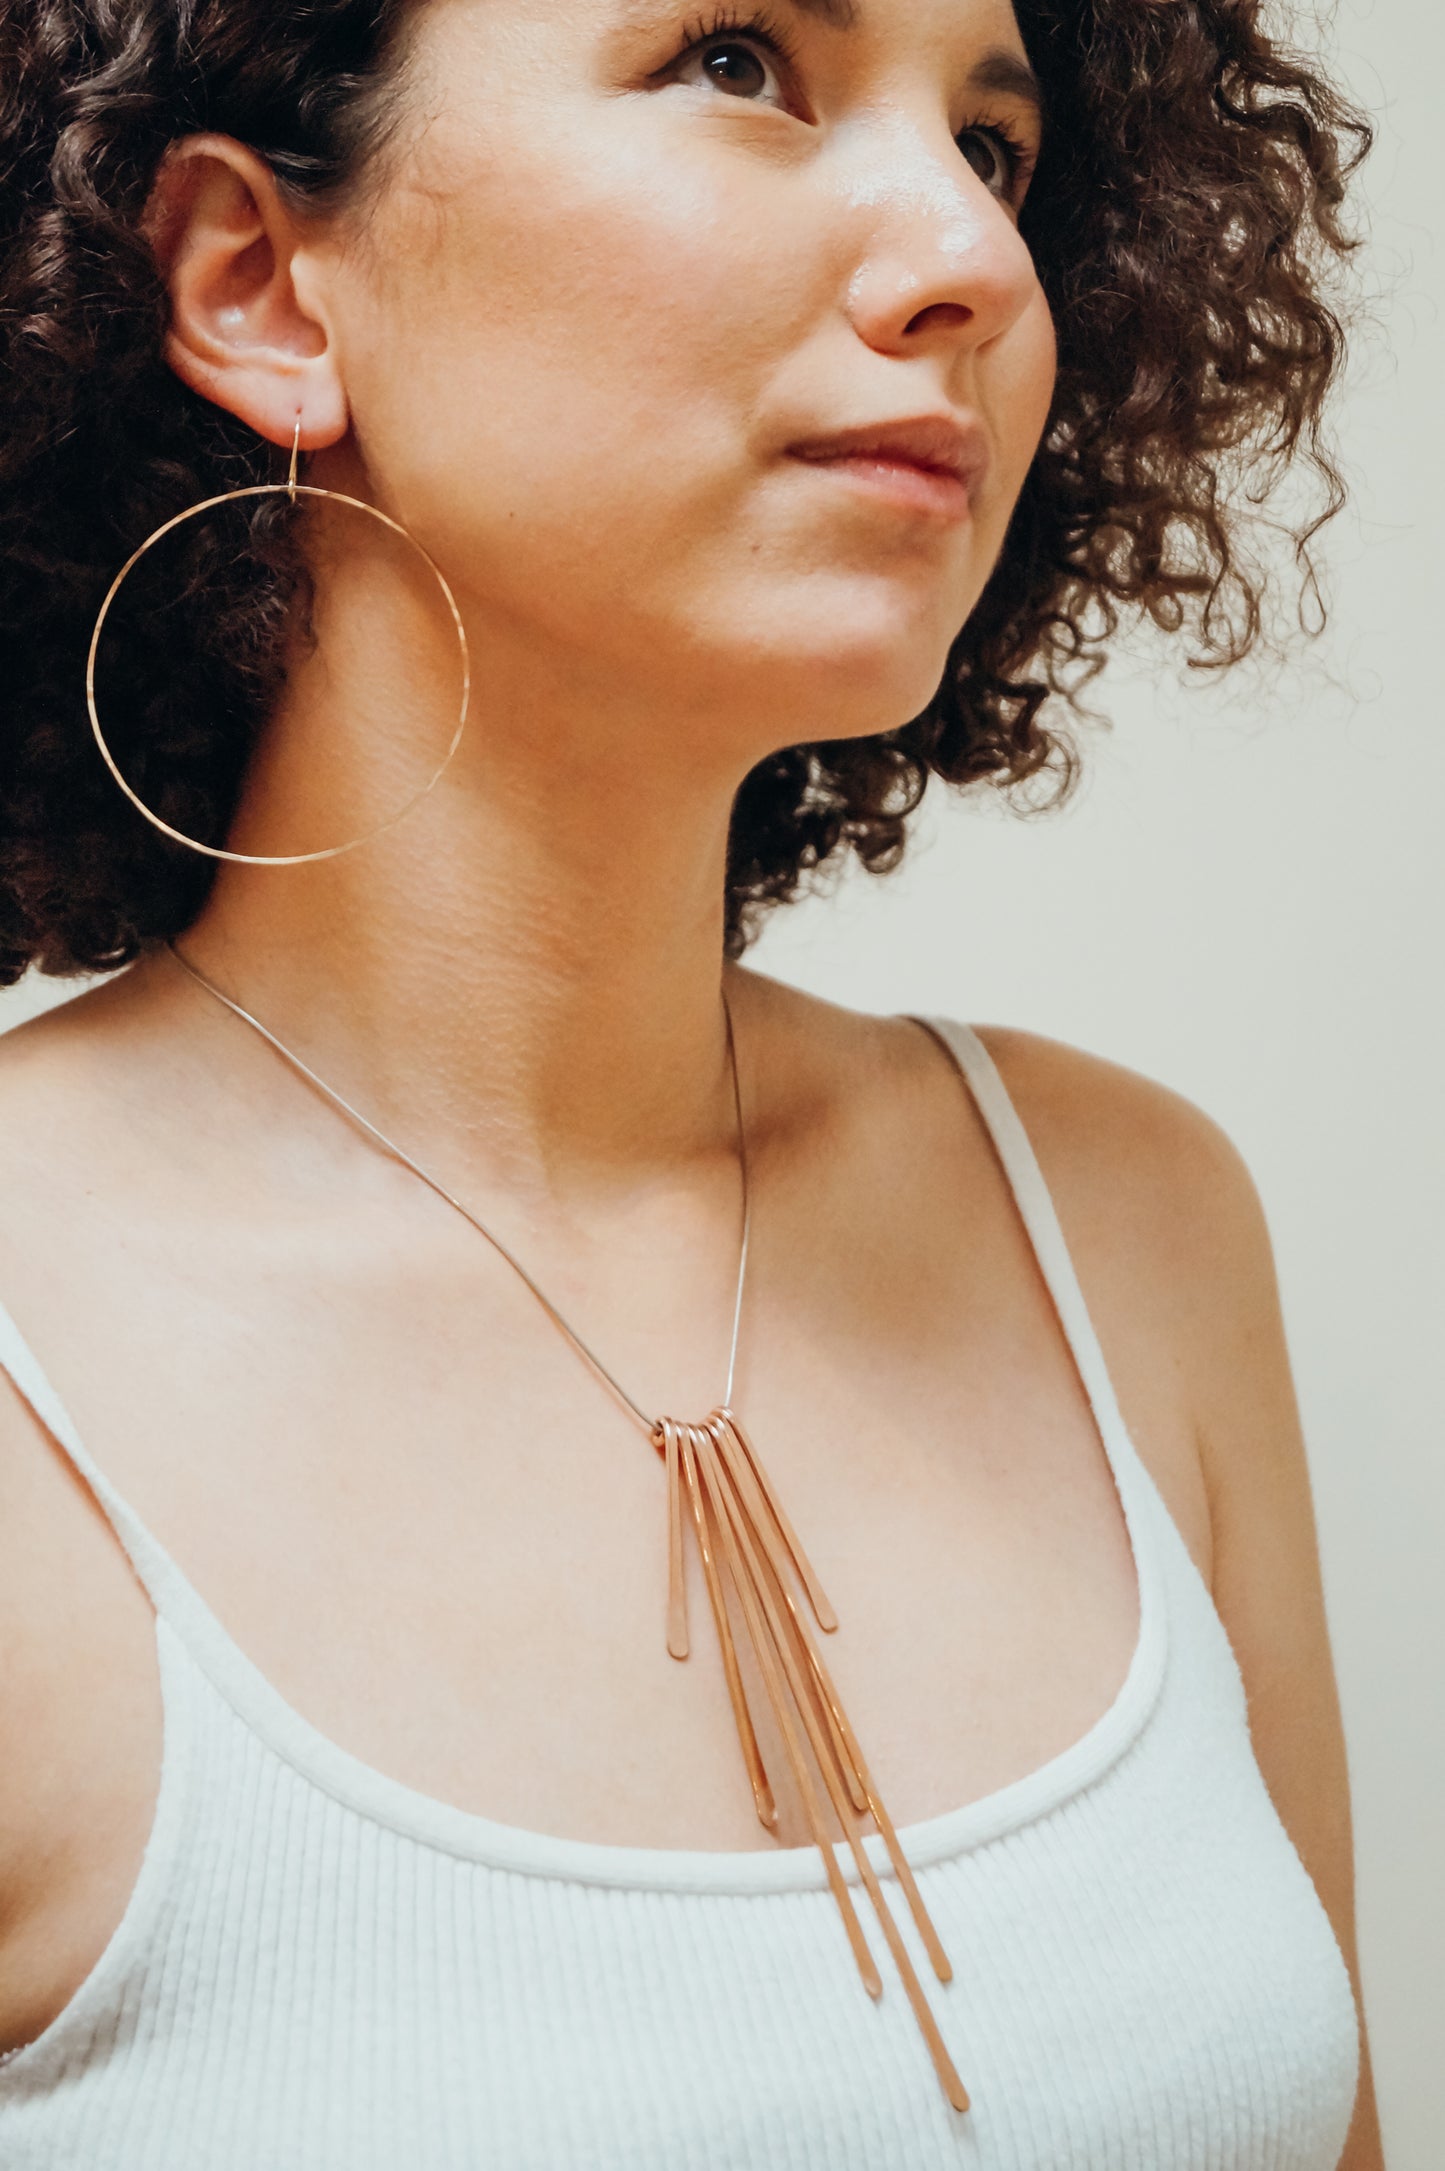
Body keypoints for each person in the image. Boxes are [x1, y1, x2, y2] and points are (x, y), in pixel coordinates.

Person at [0, 0, 1385, 2162]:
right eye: (739, 60)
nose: (971, 255)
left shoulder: (1124, 1223)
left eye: (997, 145)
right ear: (262, 286)